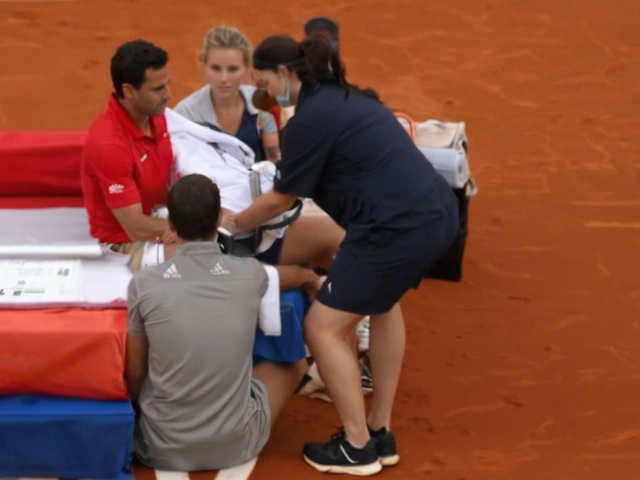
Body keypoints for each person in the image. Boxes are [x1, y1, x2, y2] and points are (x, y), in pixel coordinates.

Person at [221, 34, 460, 476]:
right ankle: (379, 431)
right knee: (383, 304)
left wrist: (234, 222)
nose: (266, 90)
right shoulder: (343, 97)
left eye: (266, 81)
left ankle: (356, 447)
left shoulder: (309, 121)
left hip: (394, 229)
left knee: (322, 327)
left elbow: (279, 199)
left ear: (286, 74)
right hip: (435, 215)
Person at [125, 173, 308, 471]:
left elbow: (135, 371)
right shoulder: (250, 273)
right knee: (294, 365)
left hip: (157, 445)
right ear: (220, 219)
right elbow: (279, 277)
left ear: (170, 224)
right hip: (238, 446)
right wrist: (308, 276)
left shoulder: (143, 284)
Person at [81, 39, 176, 272]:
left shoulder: (156, 114)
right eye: (158, 89)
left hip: (157, 219)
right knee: (200, 259)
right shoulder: (109, 145)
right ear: (128, 91)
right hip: (124, 243)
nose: (168, 94)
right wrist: (190, 227)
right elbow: (136, 228)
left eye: (167, 85)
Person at [174, 25, 280, 162]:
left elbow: (273, 158)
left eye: (232, 69)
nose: (223, 79)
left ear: (247, 69)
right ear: (202, 68)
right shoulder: (185, 114)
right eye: (215, 68)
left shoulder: (261, 102)